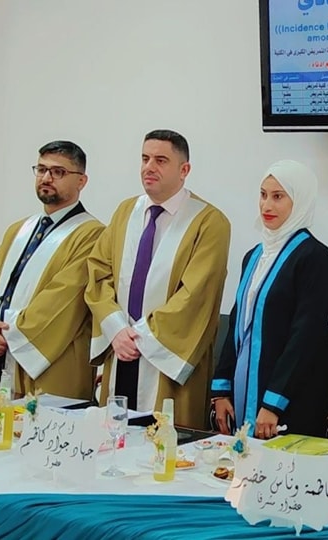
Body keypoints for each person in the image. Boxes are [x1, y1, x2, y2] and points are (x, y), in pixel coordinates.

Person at [85, 129, 230, 428]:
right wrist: (115, 329)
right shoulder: (126, 211)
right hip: (120, 348)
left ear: (184, 170)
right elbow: (99, 272)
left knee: (162, 443)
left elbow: (196, 294)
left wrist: (140, 338)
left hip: (166, 361)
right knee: (113, 438)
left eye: (161, 160)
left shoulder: (208, 222)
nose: (149, 167)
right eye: (145, 158)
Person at [0, 140, 103, 398]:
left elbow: (62, 299)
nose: (46, 178)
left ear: (81, 181)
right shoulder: (19, 230)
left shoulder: (92, 234)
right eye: (41, 169)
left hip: (51, 363)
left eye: (58, 172)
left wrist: (6, 335)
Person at [211, 160, 328, 439]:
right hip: (245, 392)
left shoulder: (315, 258)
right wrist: (221, 390)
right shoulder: (254, 256)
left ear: (300, 201)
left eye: (278, 196)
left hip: (291, 399)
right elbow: (237, 324)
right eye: (263, 195)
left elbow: (305, 337)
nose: (267, 205)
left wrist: (273, 403)